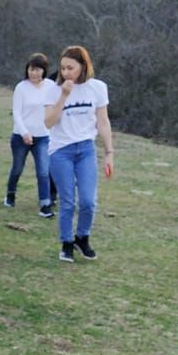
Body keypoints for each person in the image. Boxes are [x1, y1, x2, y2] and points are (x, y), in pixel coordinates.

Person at [45, 45, 114, 263]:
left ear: (83, 67)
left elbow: (103, 121)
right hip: (60, 151)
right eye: (62, 68)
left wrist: (109, 152)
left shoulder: (98, 88)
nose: (65, 72)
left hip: (85, 149)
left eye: (70, 68)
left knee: (88, 201)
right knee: (68, 201)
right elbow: (48, 122)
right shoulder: (53, 89)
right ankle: (66, 243)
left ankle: (82, 238)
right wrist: (64, 95)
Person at [6, 53, 60, 217]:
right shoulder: (21, 87)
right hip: (21, 137)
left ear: (44, 70)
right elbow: (16, 112)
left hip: (43, 137)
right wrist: (24, 133)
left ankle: (45, 206)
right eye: (31, 69)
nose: (34, 73)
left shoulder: (51, 86)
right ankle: (10, 194)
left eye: (37, 70)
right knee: (17, 169)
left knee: (43, 171)